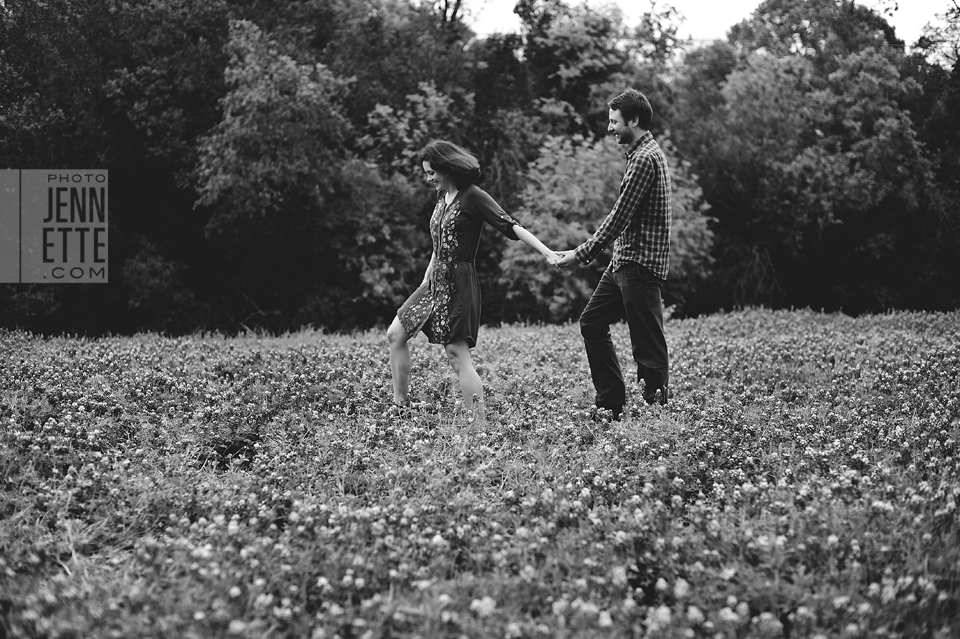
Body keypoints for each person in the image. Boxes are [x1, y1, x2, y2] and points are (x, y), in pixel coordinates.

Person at [387, 139, 558, 421]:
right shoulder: (443, 198)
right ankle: (399, 407)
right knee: (395, 334)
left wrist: (547, 252)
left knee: (457, 355)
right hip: (433, 281)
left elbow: (511, 225)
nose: (428, 179)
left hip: (459, 282)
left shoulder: (473, 196)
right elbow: (438, 244)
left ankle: (478, 430)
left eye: (432, 173)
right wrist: (424, 280)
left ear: (447, 168)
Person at [555, 89, 672, 420]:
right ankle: (611, 403)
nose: (609, 128)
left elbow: (620, 216)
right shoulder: (639, 156)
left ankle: (656, 417)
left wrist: (581, 254)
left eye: (614, 121)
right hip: (623, 261)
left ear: (633, 121)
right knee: (591, 322)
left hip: (639, 264)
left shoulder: (646, 159)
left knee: (647, 346)